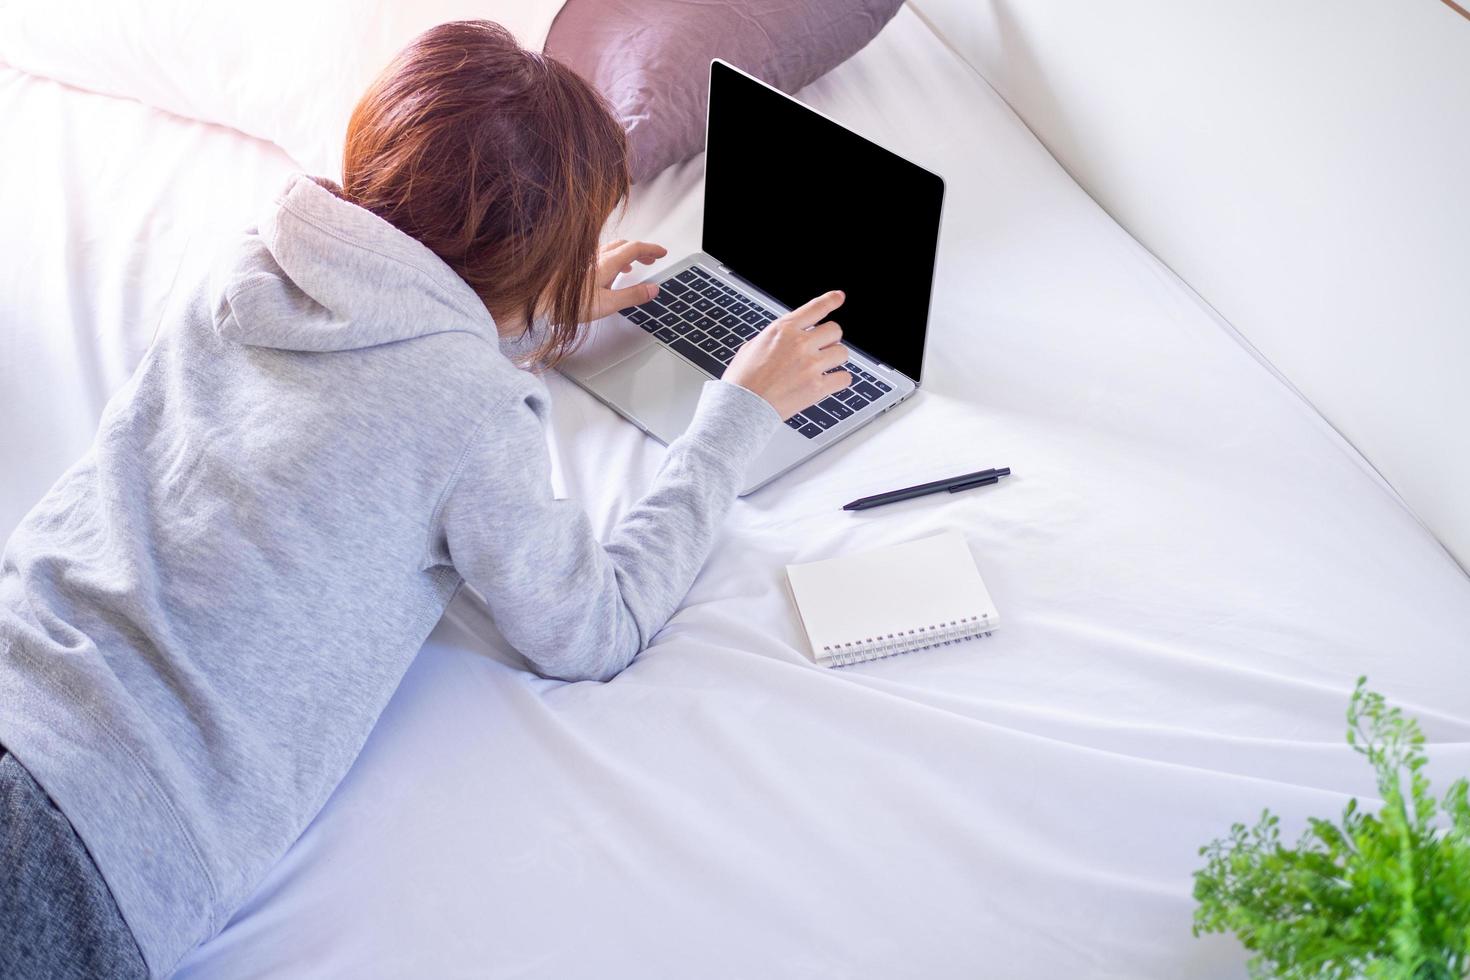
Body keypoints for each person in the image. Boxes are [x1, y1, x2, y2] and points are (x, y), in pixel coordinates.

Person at [0, 20, 852, 979]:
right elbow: (593, 630)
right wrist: (734, 417)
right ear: (529, 254)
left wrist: (533, 308)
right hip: (101, 834)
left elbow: (369, 373)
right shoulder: (472, 415)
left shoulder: (244, 268)